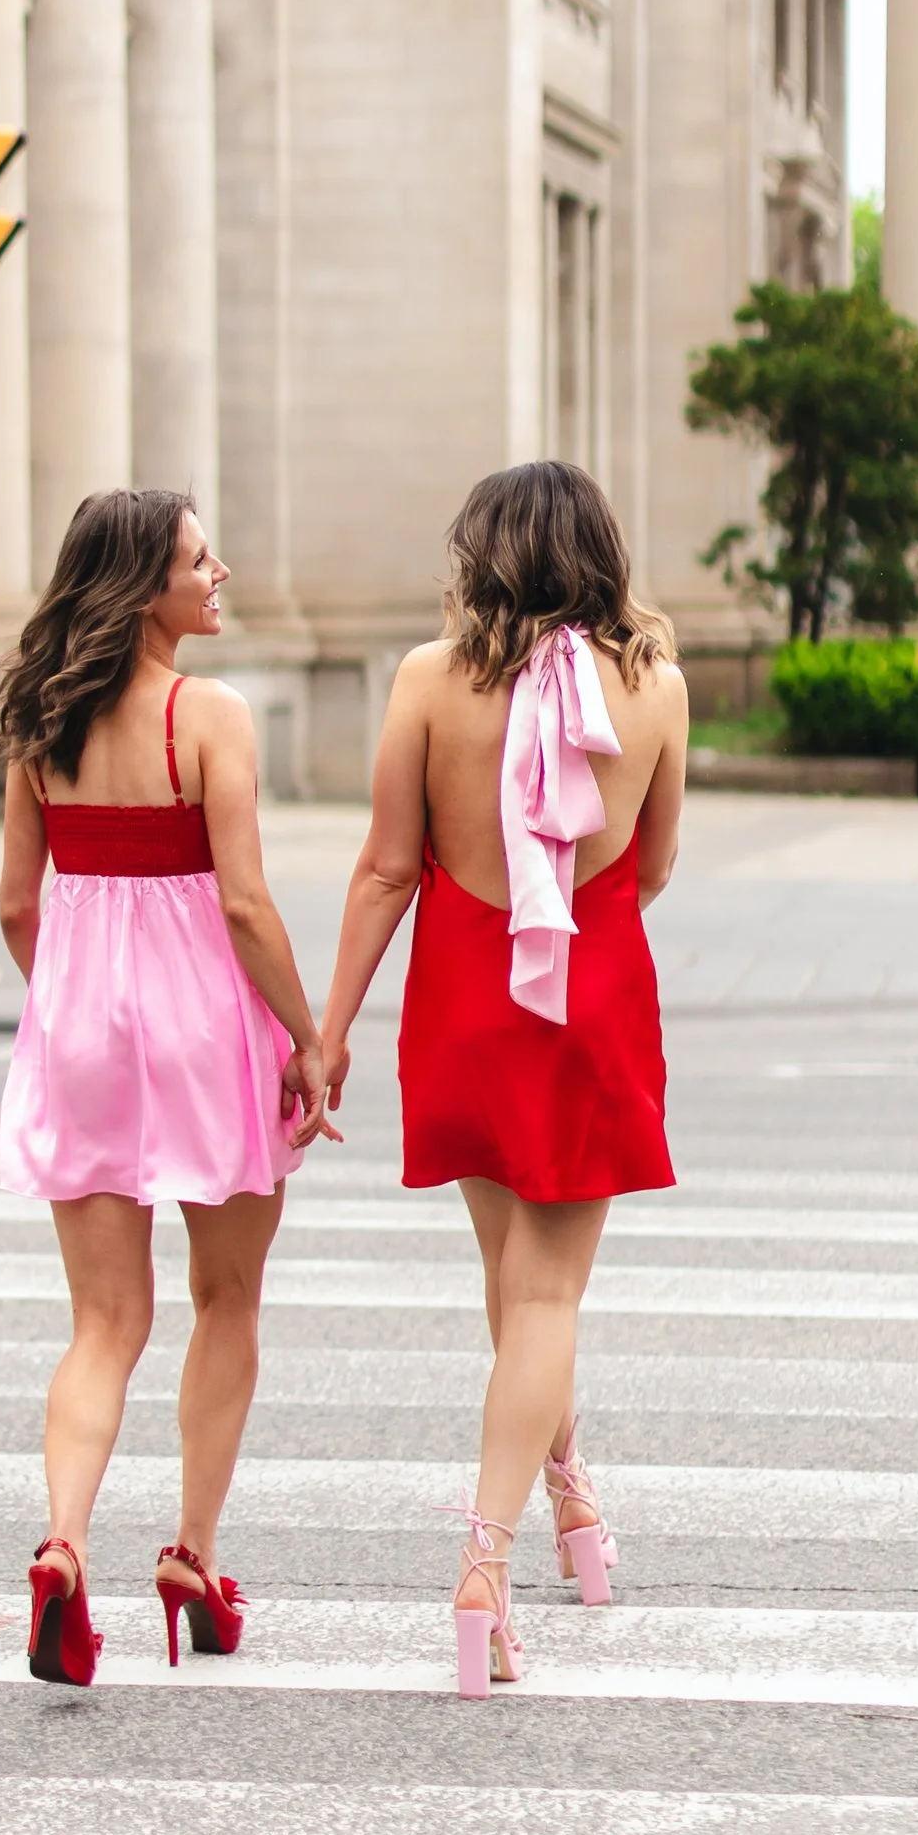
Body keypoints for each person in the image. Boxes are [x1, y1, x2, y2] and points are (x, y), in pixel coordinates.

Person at [316, 460, 684, 1697]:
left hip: (464, 1001)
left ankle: (572, 1491)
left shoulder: (428, 682)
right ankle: (487, 1559)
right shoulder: (657, 689)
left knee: (512, 1284)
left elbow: (383, 869)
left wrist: (329, 1031)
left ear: (483, 557)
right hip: (587, 999)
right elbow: (655, 864)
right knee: (546, 1301)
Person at [0, 488, 333, 1686]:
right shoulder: (209, 714)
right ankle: (192, 1557)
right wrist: (309, 1037)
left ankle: (63, 1544)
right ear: (147, 590)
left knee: (102, 1323)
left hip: (79, 1033)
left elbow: (16, 907)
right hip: (204, 1036)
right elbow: (243, 904)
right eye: (200, 561)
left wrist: (75, 1004)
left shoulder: (37, 719)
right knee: (225, 1294)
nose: (221, 571)